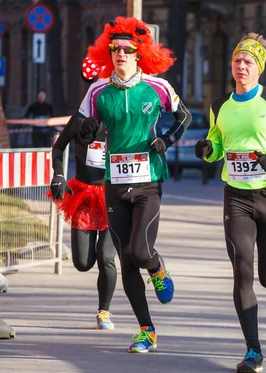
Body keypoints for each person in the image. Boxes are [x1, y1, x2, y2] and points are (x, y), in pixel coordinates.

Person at [195, 32, 266, 373]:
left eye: (248, 62)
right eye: (237, 61)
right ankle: (253, 350)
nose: (241, 66)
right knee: (241, 270)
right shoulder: (220, 106)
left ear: (259, 68)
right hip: (236, 198)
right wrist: (207, 151)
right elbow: (216, 144)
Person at [77, 16, 192, 353]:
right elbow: (85, 125)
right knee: (127, 259)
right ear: (108, 53)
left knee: (141, 252)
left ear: (139, 54)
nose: (121, 55)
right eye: (115, 49)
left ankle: (157, 268)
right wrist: (86, 133)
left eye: (128, 50)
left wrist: (167, 140)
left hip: (149, 182)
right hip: (114, 183)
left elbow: (182, 116)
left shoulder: (157, 87)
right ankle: (147, 330)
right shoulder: (98, 90)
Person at [48, 106, 117, 331]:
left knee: (106, 257)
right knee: (83, 263)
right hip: (84, 196)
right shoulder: (79, 118)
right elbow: (59, 145)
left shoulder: (122, 117)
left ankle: (104, 311)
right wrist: (58, 174)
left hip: (113, 197)